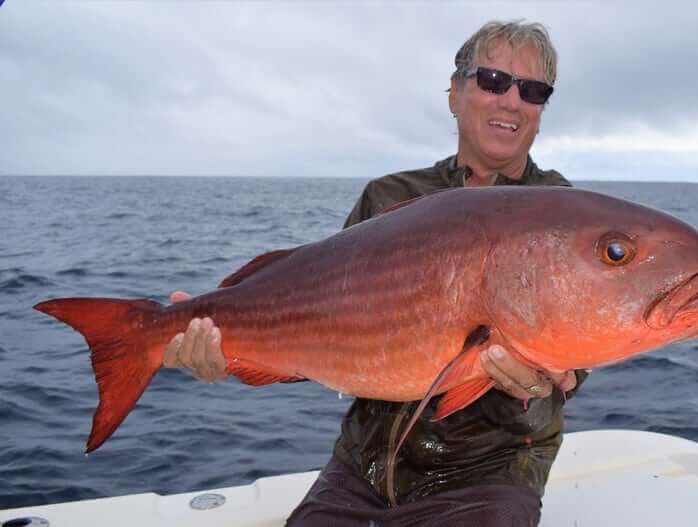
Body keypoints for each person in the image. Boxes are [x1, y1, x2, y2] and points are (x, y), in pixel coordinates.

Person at [163, 20, 588, 526]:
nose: (512, 102)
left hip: (493, 472)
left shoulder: (566, 214)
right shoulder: (387, 197)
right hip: (361, 467)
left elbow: (582, 347)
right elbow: (326, 332)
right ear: (455, 94)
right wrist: (227, 350)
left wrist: (553, 380)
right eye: (493, 81)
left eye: (533, 90)